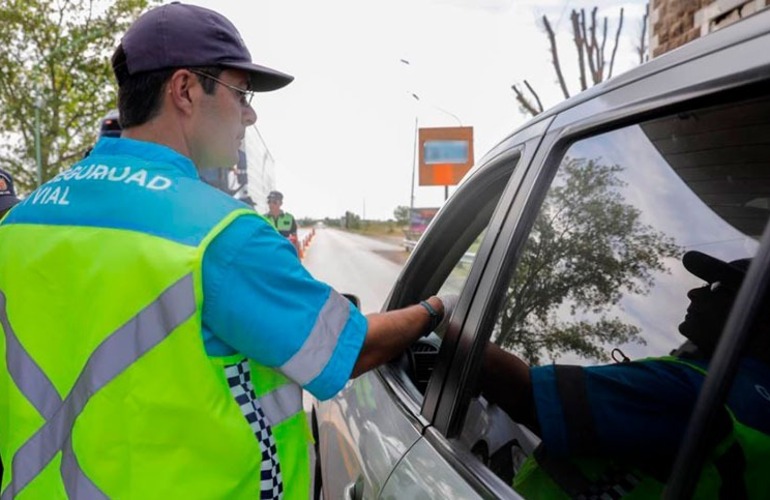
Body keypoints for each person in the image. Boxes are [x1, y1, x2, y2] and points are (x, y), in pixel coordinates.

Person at [0, 4, 453, 499]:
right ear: (185, 91)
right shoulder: (221, 235)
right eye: (241, 93)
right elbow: (348, 348)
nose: (250, 114)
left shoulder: (19, 224)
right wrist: (438, 308)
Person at [480, 250, 770, 498]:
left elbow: (522, 392)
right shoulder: (755, 412)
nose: (694, 292)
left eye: (716, 287)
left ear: (758, 317)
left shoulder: (696, 389)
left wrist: (455, 326)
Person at [264, 190, 301, 255]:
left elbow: (295, 239)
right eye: (269, 201)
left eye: (274, 202)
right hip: (268, 253)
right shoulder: (263, 219)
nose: (271, 204)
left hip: (284, 253)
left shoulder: (289, 218)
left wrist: (297, 256)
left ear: (281, 203)